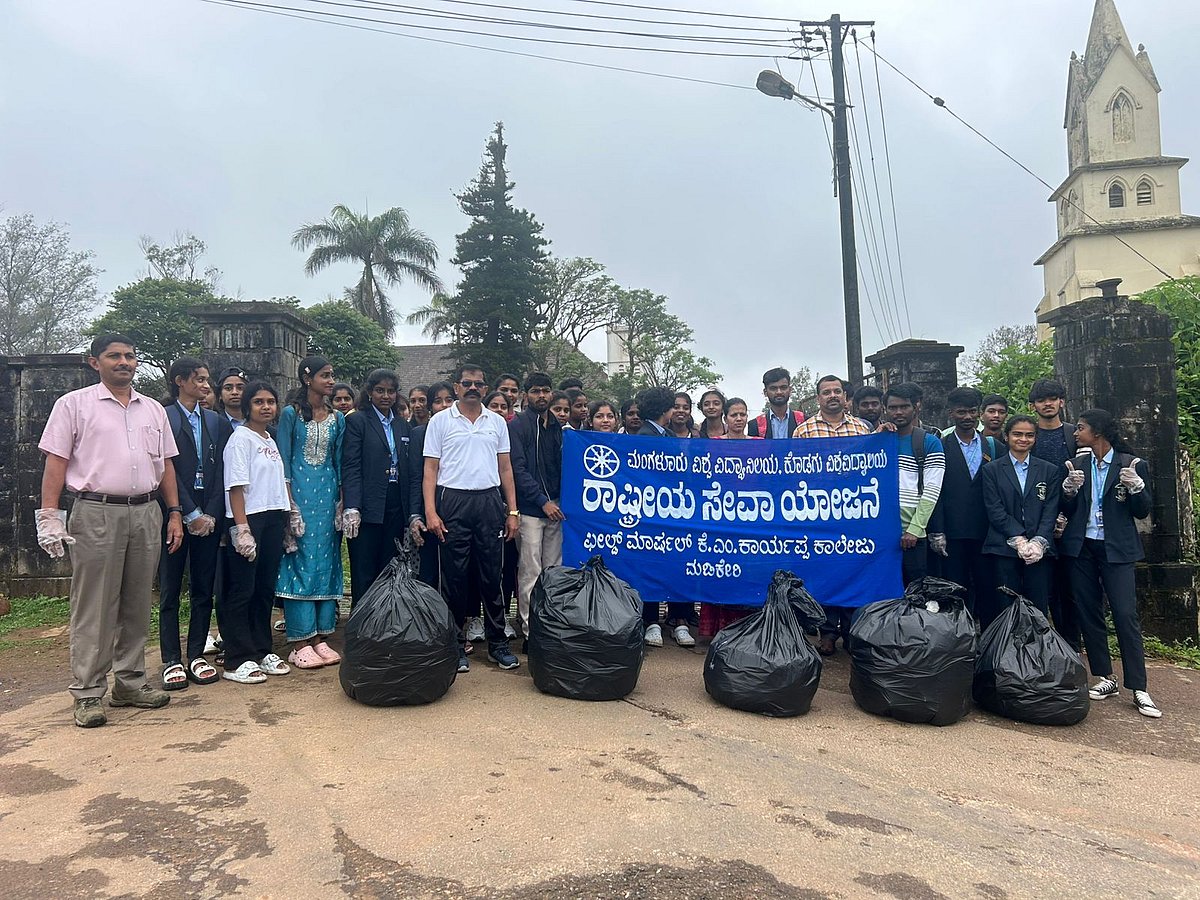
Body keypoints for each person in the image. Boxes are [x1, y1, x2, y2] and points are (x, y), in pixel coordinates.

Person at [36, 334, 184, 727]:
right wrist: (49, 515)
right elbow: (56, 461)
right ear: (94, 362)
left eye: (129, 356)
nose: (123, 362)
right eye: (113, 356)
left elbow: (166, 465)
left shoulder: (153, 409)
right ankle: (87, 692)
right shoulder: (74, 405)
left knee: (137, 601)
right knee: (95, 604)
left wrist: (173, 512)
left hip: (146, 511)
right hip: (96, 511)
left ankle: (130, 682)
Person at [1060, 409, 1160, 718]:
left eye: (1081, 428)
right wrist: (1068, 491)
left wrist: (1137, 488)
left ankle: (1139, 687)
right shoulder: (1077, 465)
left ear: (1098, 432)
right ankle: (1105, 676)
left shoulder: (1131, 464)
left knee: (1125, 614)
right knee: (1088, 611)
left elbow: (1142, 511)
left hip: (1117, 548)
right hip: (1082, 546)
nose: (1076, 433)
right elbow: (1067, 508)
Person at [422, 363, 522, 673]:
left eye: (478, 383)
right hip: (453, 500)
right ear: (456, 387)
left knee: (492, 575)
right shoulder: (440, 421)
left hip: (489, 501)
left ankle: (498, 643)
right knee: (454, 577)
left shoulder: (497, 422)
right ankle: (455, 643)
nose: (473, 388)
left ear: (485, 387)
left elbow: (506, 468)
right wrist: (431, 512)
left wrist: (512, 511)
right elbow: (430, 470)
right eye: (467, 383)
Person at [157, 356, 231, 691]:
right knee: (171, 586)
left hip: (209, 513)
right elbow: (165, 467)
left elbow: (223, 470)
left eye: (206, 379)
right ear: (180, 381)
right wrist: (188, 512)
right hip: (173, 511)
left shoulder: (215, 421)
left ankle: (196, 653)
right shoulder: (164, 417)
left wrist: (211, 513)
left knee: (203, 587)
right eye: (199, 379)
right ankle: (171, 658)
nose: (205, 385)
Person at [792, 375, 874, 654]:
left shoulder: (863, 429)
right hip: (819, 513)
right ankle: (826, 631)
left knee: (853, 569)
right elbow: (795, 472)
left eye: (837, 391)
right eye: (826, 392)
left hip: (855, 511)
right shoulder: (803, 431)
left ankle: (851, 630)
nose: (832, 396)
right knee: (825, 571)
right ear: (818, 398)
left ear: (845, 396)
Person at [275, 356, 345, 670]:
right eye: (325, 375)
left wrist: (343, 502)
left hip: (327, 498)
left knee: (326, 561)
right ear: (308, 378)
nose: (331, 381)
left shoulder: (337, 418)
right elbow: (284, 460)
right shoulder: (291, 415)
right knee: (299, 561)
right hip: (299, 496)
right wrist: (289, 505)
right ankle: (299, 641)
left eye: (332, 375)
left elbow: (339, 462)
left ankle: (320, 636)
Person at [220, 381, 292, 684]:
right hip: (249, 518)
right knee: (242, 589)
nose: (266, 407)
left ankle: (262, 649)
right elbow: (235, 486)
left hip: (273, 516)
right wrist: (242, 529)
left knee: (264, 588)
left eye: (270, 402)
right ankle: (237, 658)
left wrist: (288, 514)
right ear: (248, 406)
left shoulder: (269, 439)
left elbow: (277, 482)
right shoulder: (240, 439)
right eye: (259, 402)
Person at [980, 415, 1060, 630]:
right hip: (1004, 547)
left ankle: (1037, 649)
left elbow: (1050, 510)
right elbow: (994, 509)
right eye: (1017, 434)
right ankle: (1007, 650)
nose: (1023, 439)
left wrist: (1038, 541)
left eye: (1029, 435)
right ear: (1007, 436)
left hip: (1039, 550)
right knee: (1006, 606)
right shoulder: (991, 469)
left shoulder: (1049, 470)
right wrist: (1018, 538)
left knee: (1038, 606)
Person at [342, 368, 412, 610]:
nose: (386, 396)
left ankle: (385, 619)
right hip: (368, 501)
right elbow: (351, 465)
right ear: (370, 392)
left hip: (395, 502)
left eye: (391, 391)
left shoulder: (402, 425)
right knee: (364, 566)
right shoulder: (357, 421)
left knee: (389, 564)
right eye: (380, 390)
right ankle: (362, 620)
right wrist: (352, 505)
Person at [634, 385, 697, 647]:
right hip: (651, 513)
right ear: (664, 409)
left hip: (674, 512)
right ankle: (651, 621)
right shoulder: (643, 436)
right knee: (651, 566)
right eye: (672, 406)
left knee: (677, 565)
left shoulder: (670, 435)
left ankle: (679, 619)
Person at [931, 386, 1000, 617]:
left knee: (988, 588)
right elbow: (935, 491)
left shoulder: (993, 446)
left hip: (986, 532)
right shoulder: (940, 447)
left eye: (972, 411)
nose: (967, 417)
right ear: (951, 413)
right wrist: (937, 530)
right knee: (955, 588)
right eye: (961, 412)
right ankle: (959, 633)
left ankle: (990, 635)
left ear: (979, 412)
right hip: (953, 533)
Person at [509, 372, 564, 648]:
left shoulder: (557, 426)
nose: (541, 395)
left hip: (557, 509)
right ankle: (531, 632)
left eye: (545, 390)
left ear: (551, 393)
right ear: (525, 395)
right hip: (532, 510)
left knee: (553, 572)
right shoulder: (518, 426)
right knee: (530, 571)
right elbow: (517, 470)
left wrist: (559, 501)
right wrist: (542, 501)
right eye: (535, 391)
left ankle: (551, 628)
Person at [1028, 378, 1080, 650]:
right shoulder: (1029, 435)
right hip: (1036, 522)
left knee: (1070, 587)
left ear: (1062, 401)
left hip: (1072, 519)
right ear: (1033, 405)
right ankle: (1042, 646)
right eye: (1041, 400)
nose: (1047, 404)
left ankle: (1071, 646)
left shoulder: (1074, 435)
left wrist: (1068, 514)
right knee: (1041, 587)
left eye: (1052, 399)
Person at [882, 383, 945, 587]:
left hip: (912, 536)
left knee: (915, 593)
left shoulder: (929, 442)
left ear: (916, 407)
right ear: (885, 409)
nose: (898, 412)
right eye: (893, 407)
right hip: (881, 534)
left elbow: (932, 491)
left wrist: (915, 529)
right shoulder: (877, 440)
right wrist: (875, 437)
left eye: (904, 406)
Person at [408, 381, 455, 588]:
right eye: (438, 401)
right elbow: (415, 476)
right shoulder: (420, 434)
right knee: (428, 569)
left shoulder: (465, 432)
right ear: (430, 407)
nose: (444, 405)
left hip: (457, 508)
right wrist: (415, 514)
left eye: (449, 400)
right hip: (429, 508)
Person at [748, 367, 805, 438]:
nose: (779, 392)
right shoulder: (755, 425)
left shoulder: (803, 421)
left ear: (790, 390)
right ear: (765, 392)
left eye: (783, 387)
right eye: (773, 388)